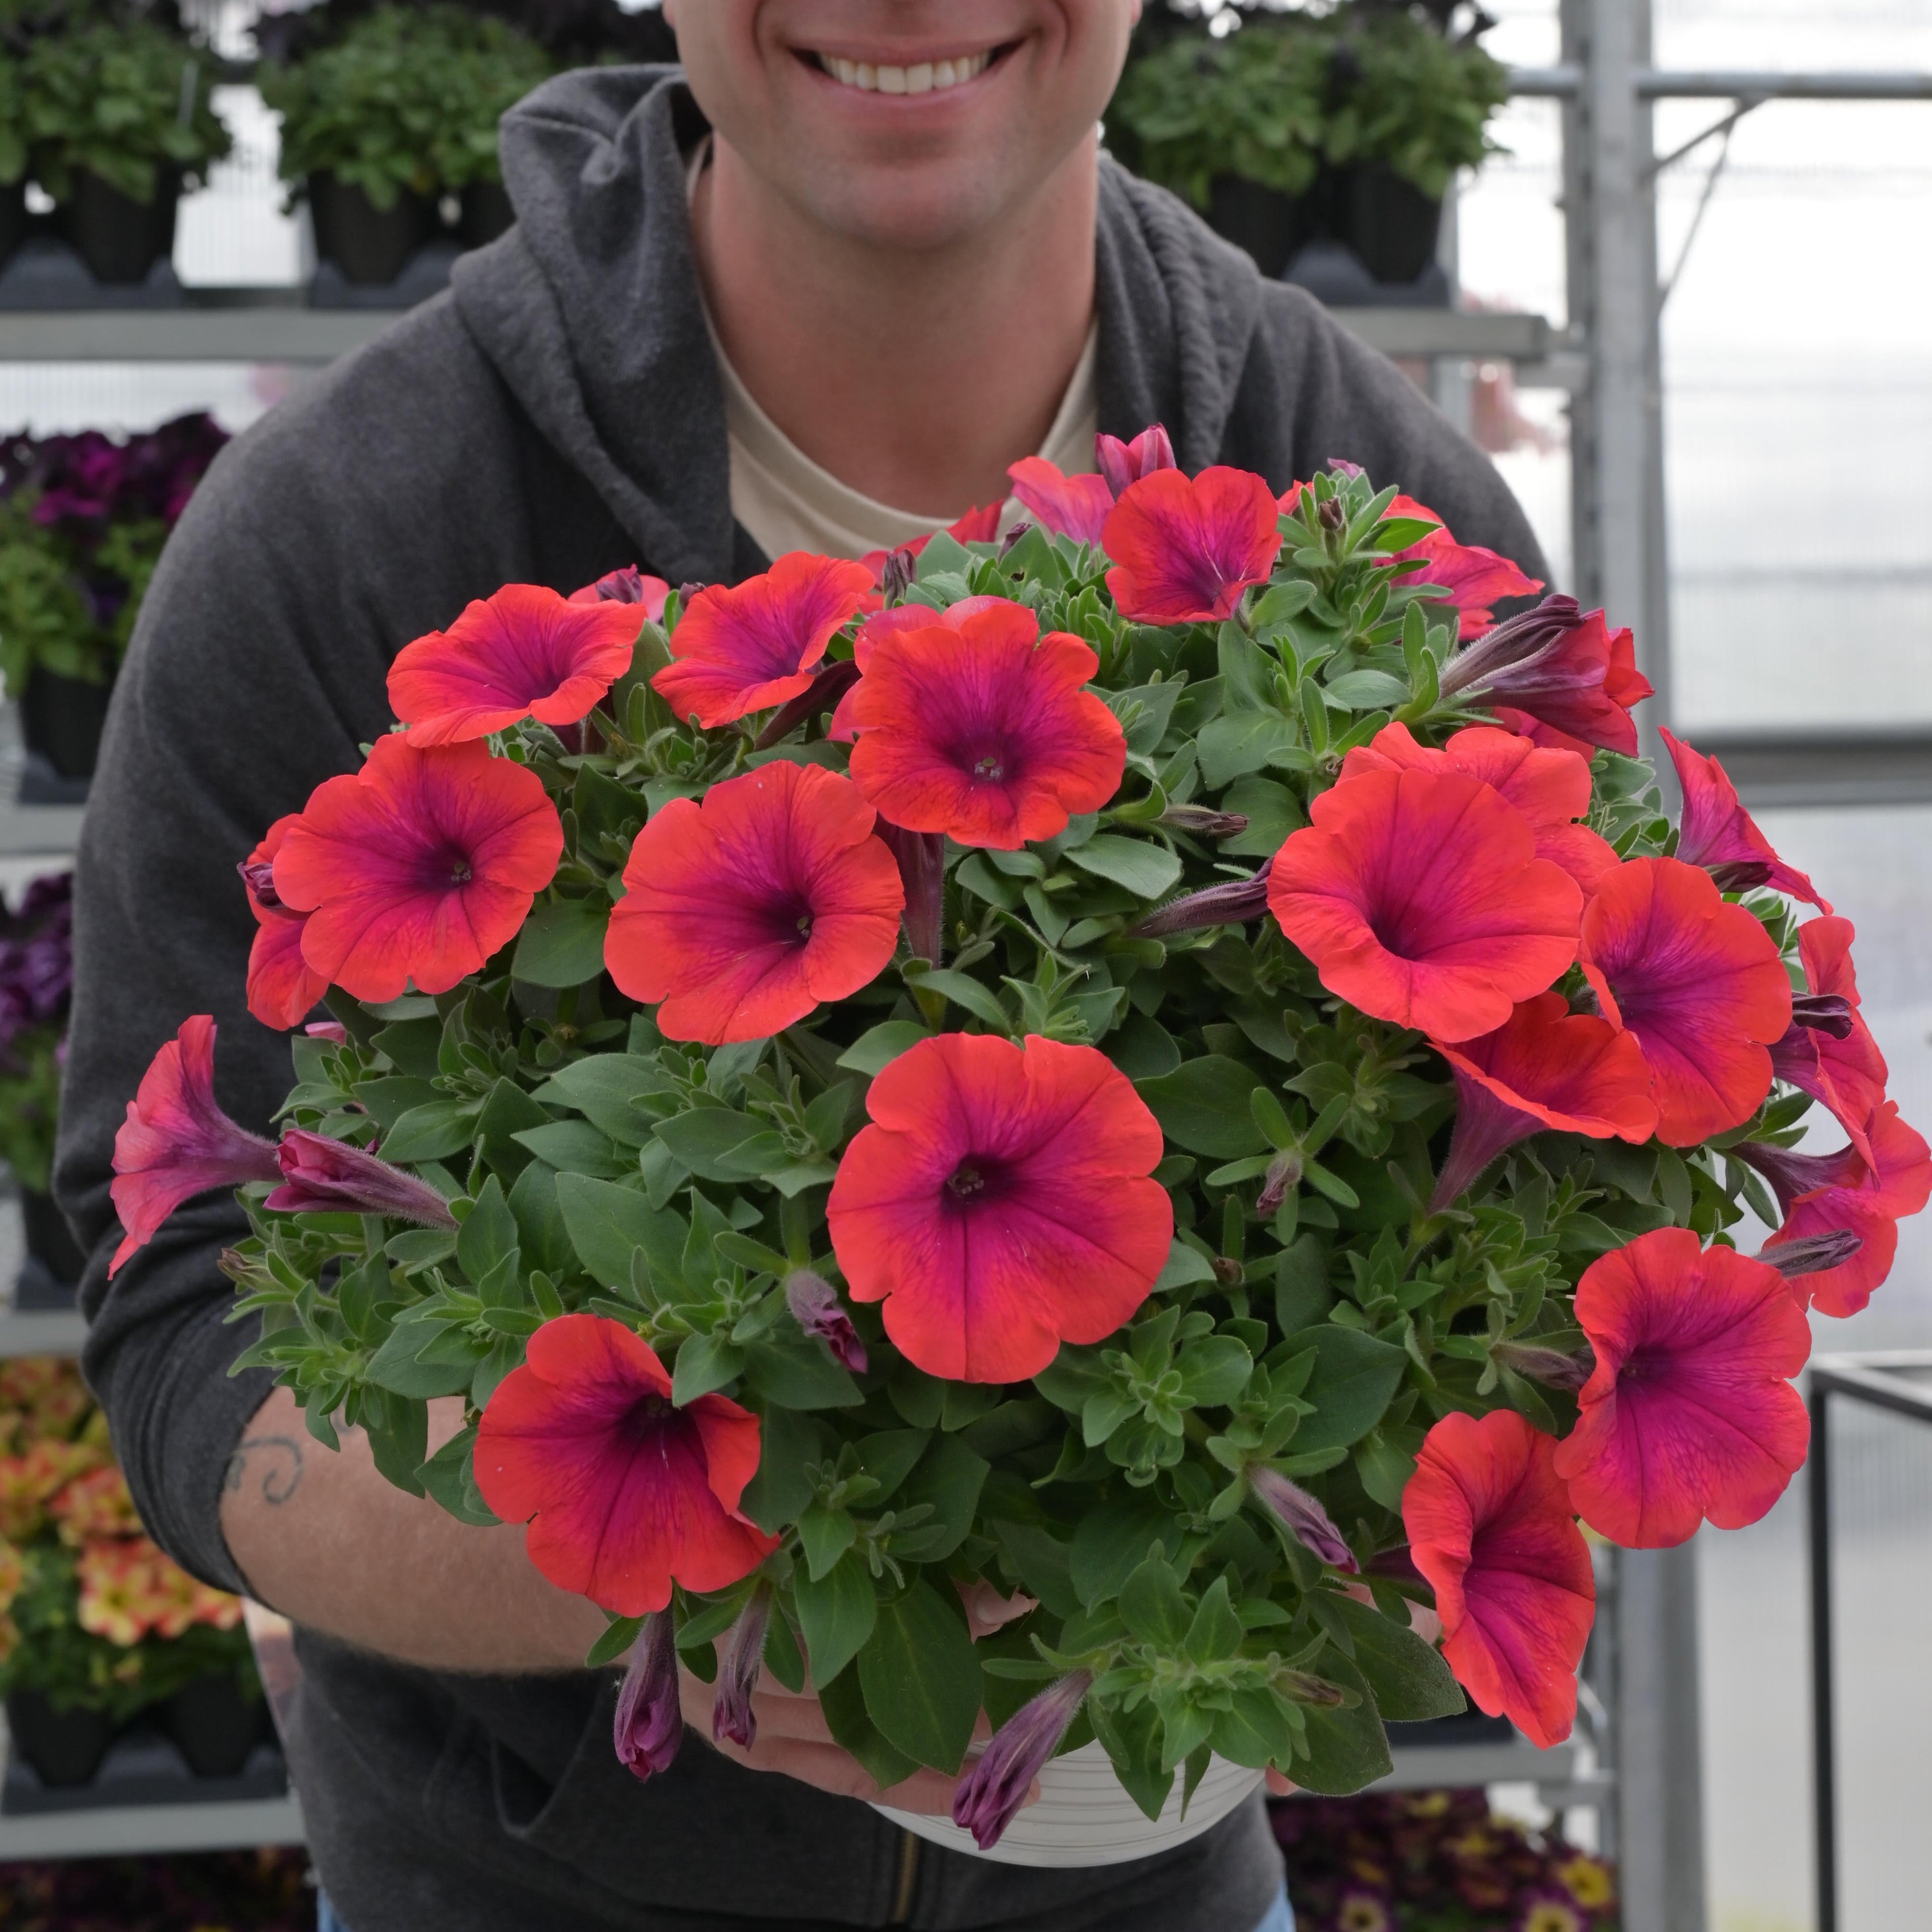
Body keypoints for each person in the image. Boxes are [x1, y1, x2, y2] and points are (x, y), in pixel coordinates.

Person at [56, 7, 1546, 1930]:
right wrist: (682, 1543)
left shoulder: (1377, 501)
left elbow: (1578, 1270)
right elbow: (186, 1325)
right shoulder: (350, 527)